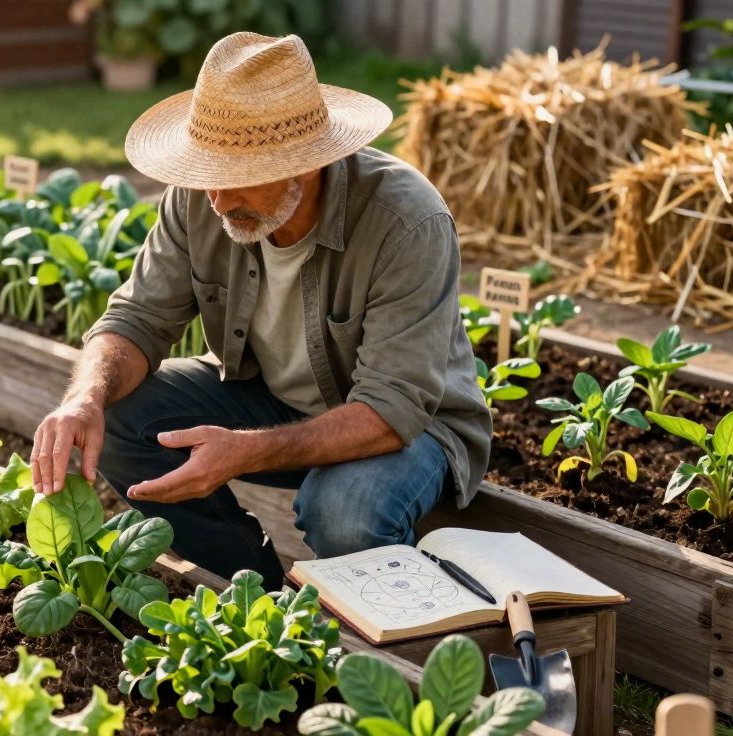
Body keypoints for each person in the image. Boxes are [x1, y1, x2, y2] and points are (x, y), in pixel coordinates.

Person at [28, 32, 493, 587]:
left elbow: (391, 410)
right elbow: (138, 319)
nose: (216, 199)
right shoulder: (201, 197)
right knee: (122, 415)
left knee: (341, 511)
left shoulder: (405, 221)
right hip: (269, 395)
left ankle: (400, 645)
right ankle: (254, 598)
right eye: (207, 175)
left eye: (233, 177)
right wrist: (85, 399)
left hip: (408, 428)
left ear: (304, 164)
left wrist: (245, 452)